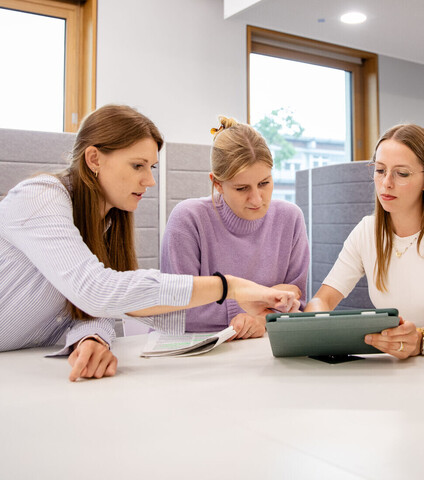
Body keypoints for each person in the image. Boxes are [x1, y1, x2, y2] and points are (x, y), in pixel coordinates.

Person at [0, 105, 298, 382]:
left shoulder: (106, 224)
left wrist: (91, 338)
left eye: (151, 168)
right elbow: (95, 291)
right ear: (94, 159)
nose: (149, 181)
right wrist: (228, 286)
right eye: (137, 166)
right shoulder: (39, 198)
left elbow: (100, 310)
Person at [305, 124, 424, 359]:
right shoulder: (367, 231)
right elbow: (323, 298)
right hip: (397, 365)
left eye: (401, 173)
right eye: (380, 170)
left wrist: (420, 339)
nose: (386, 183)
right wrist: (316, 322)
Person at [160, 116, 309, 340]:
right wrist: (250, 305)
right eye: (241, 188)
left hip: (259, 350)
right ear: (217, 183)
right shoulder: (188, 219)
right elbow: (177, 310)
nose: (257, 199)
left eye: (264, 183)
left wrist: (262, 321)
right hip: (190, 349)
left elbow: (296, 301)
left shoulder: (290, 218)